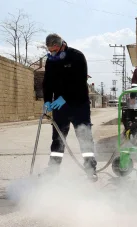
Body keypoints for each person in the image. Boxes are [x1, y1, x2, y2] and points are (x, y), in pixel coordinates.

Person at [41, 33, 98, 181]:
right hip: (60, 108)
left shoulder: (77, 56)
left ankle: (90, 169)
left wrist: (64, 98)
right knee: (58, 139)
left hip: (79, 105)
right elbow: (47, 82)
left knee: (84, 137)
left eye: (54, 49)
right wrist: (47, 100)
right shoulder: (50, 60)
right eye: (50, 50)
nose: (52, 52)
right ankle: (53, 170)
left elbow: (79, 82)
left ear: (62, 45)